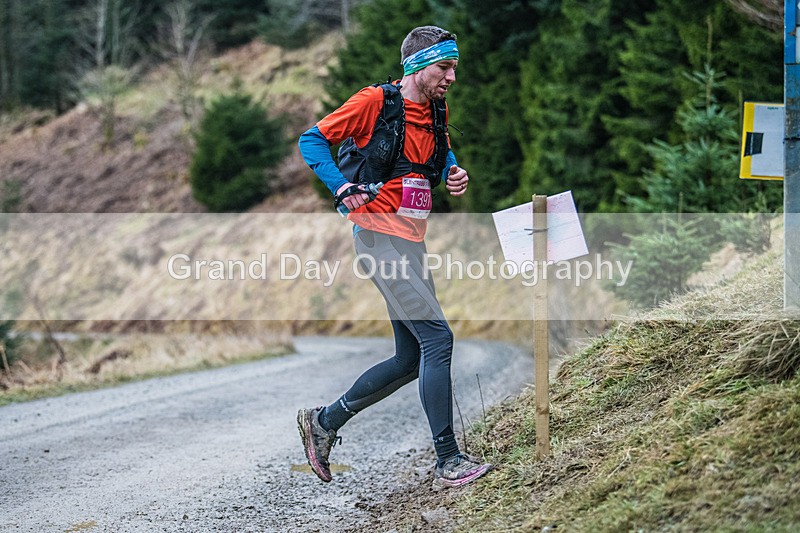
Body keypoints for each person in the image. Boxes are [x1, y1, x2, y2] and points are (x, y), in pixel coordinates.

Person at [296, 25, 491, 490]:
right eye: (445, 68)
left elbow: (435, 154)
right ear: (418, 66)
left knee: (410, 357)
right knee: (438, 339)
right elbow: (311, 140)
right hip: (379, 240)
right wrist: (342, 188)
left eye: (455, 69)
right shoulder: (374, 103)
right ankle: (448, 460)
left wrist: (453, 170)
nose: (452, 78)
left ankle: (324, 422)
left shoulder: (436, 110)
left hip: (411, 241)